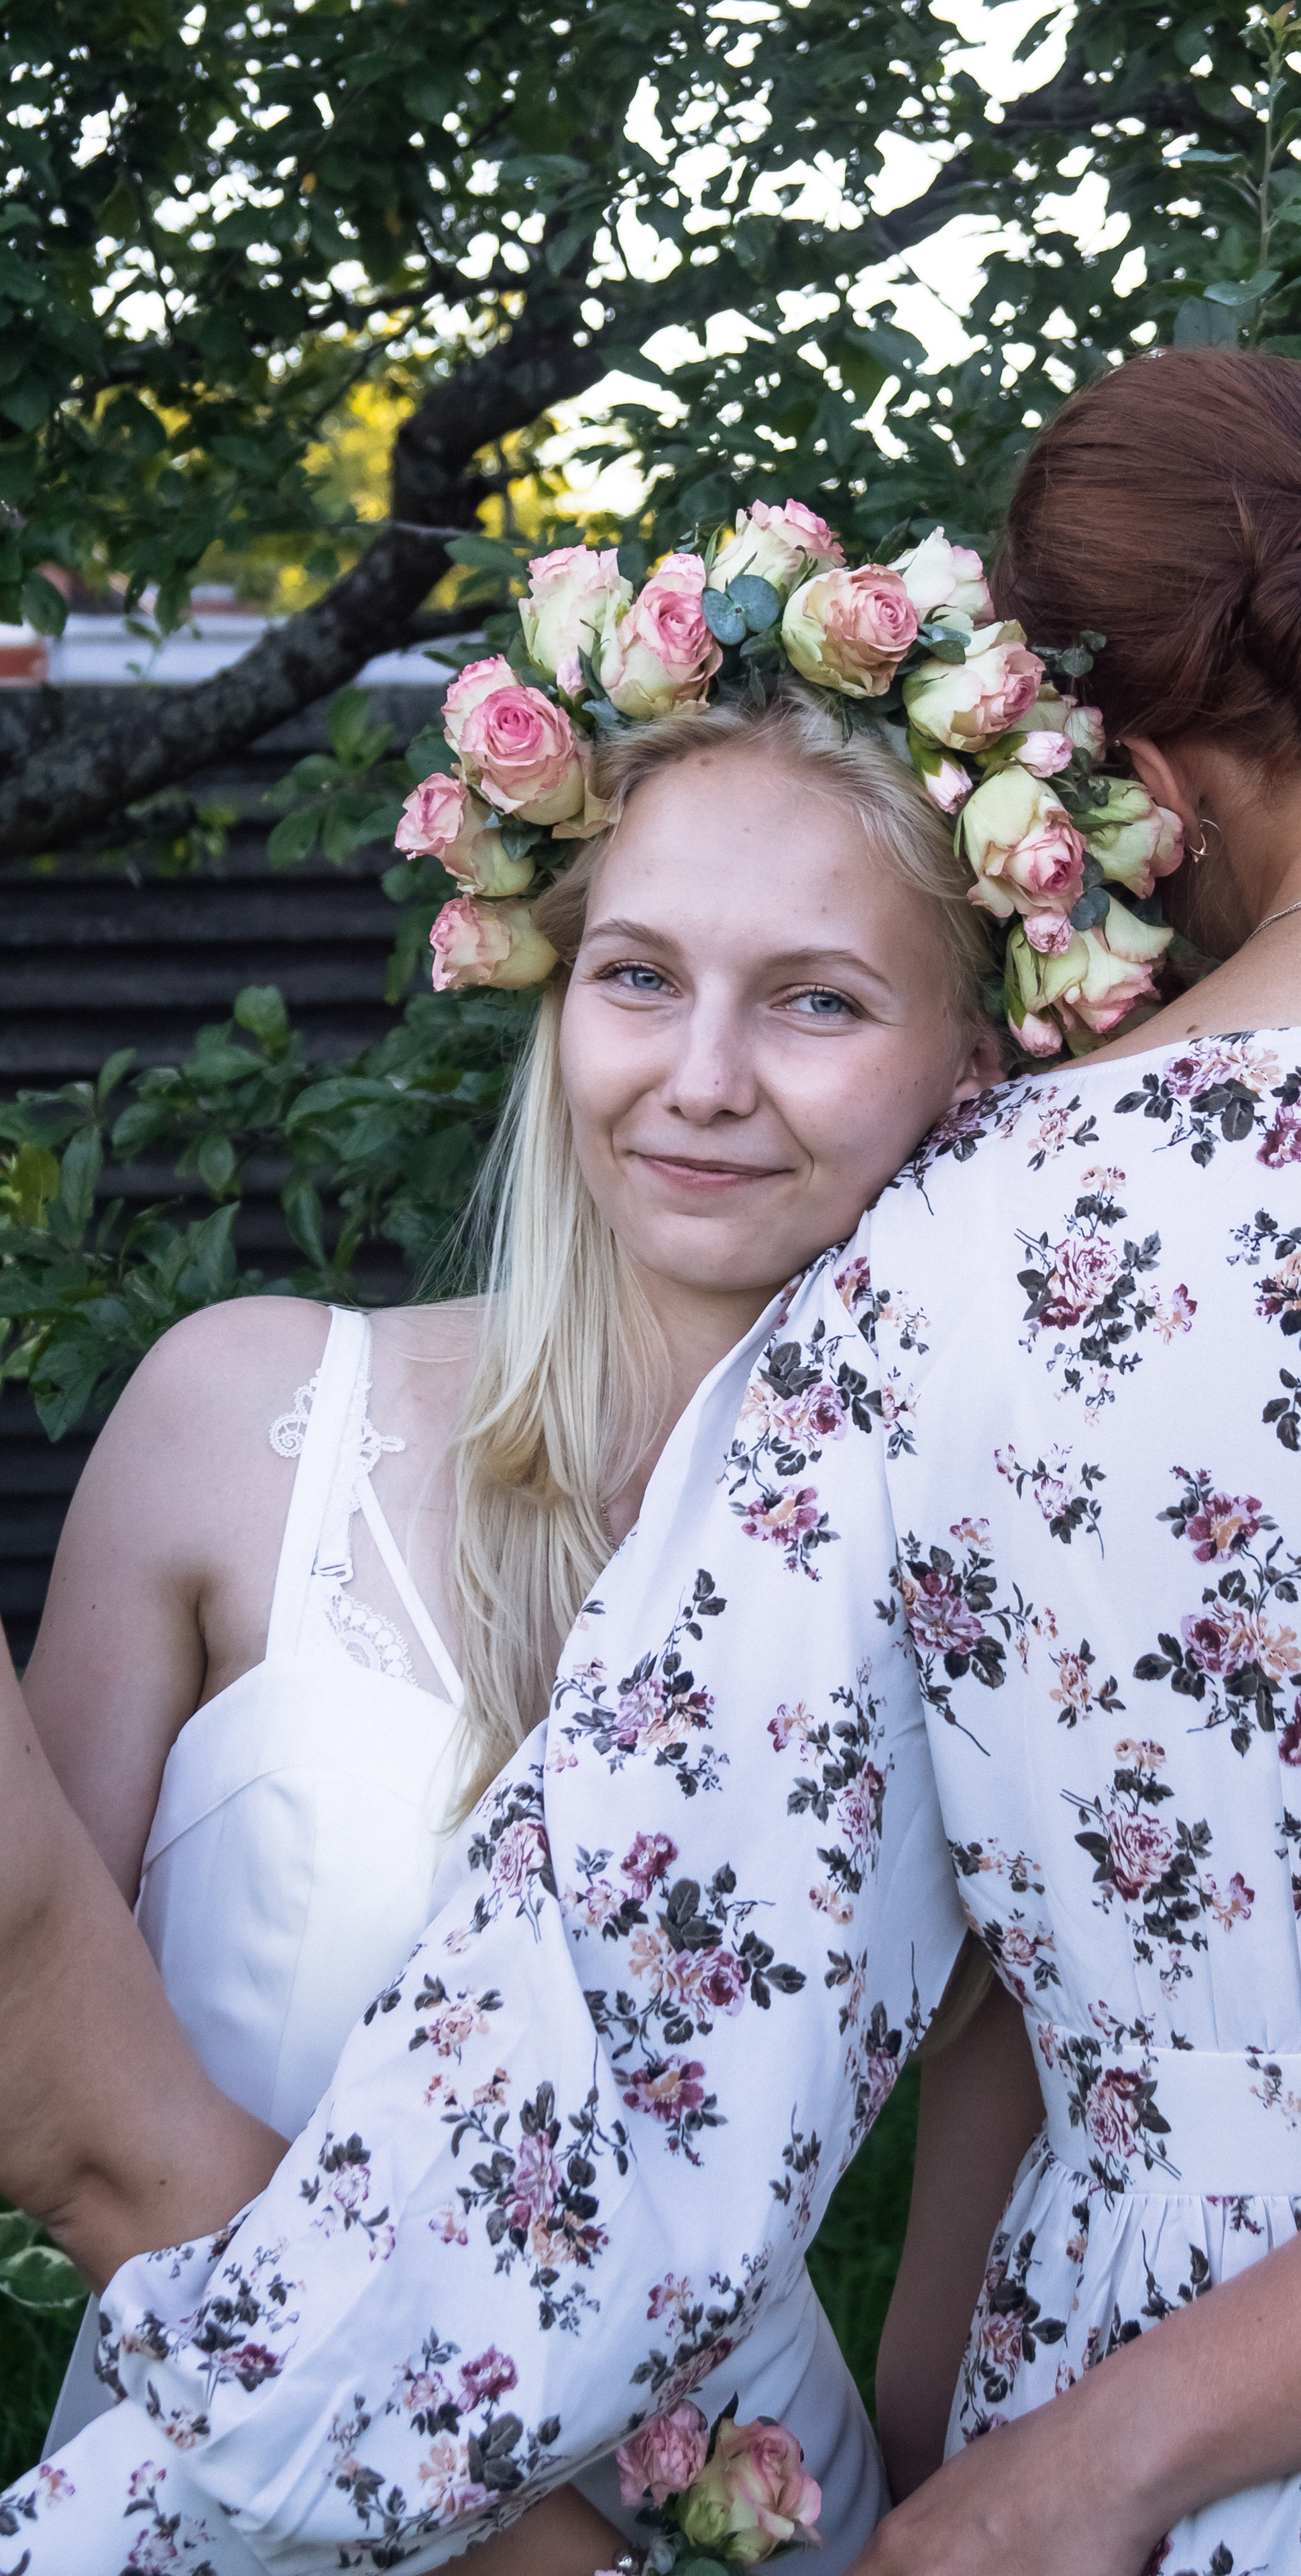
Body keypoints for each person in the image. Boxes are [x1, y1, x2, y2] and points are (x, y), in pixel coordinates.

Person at [5, 347, 1301, 2572]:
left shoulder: (961, 1249)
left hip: (1115, 2479)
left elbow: (650, 2035)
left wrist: (186, 2320)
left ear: (1132, 793)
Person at [18, 678, 1005, 2574]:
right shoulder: (241, 1417)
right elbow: (29, 2043)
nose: (702, 1077)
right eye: (638, 977)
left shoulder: (980, 1573)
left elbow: (960, 2319)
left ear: (968, 1061)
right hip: (211, 2496)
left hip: (720, 2516)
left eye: (815, 1001)